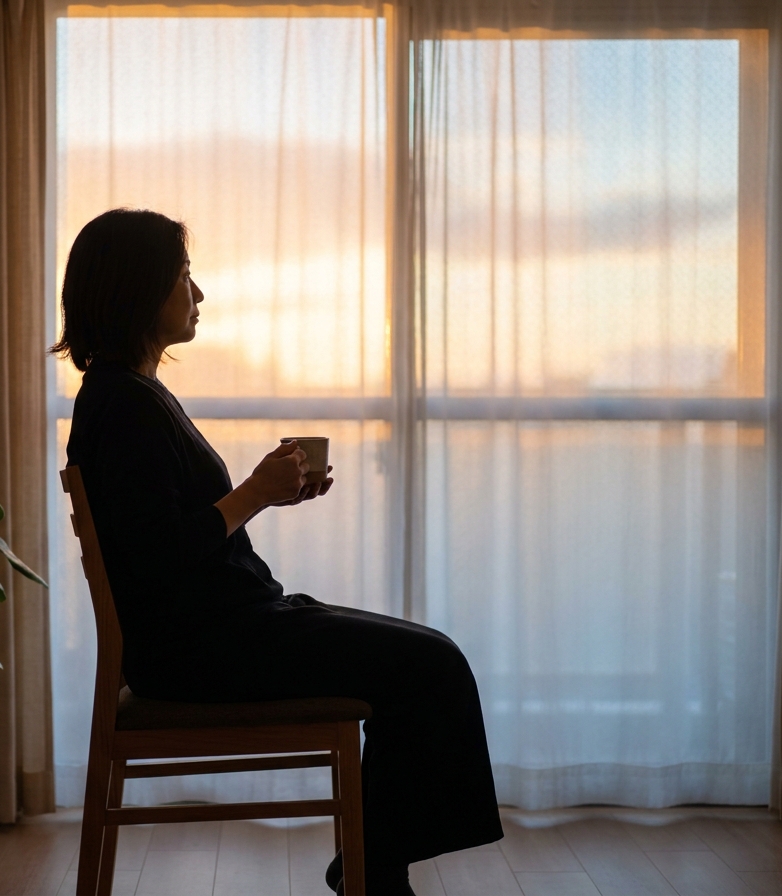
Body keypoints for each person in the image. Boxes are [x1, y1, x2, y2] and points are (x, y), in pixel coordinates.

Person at [57, 208, 503, 896]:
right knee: (431, 666)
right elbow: (158, 558)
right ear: (139, 290)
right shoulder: (121, 406)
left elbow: (176, 532)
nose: (197, 294)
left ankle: (371, 859)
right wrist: (255, 494)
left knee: (427, 657)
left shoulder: (129, 395)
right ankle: (372, 866)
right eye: (183, 278)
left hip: (227, 628)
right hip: (206, 648)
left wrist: (269, 492)